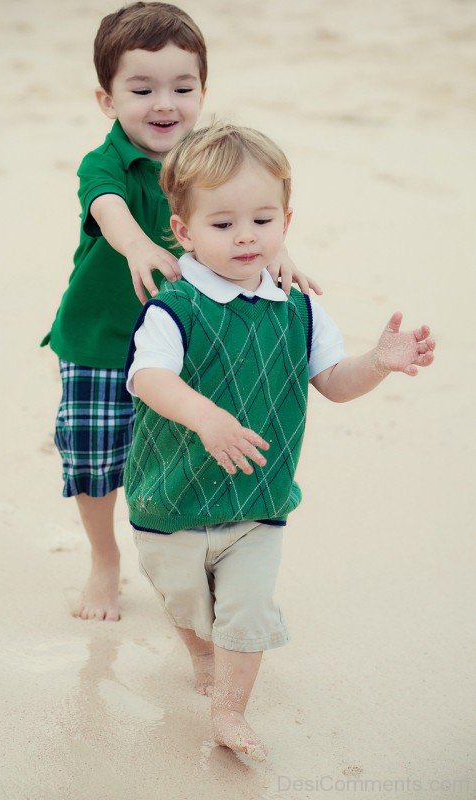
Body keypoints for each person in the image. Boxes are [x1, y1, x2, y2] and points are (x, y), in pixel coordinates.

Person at [123, 123, 436, 760]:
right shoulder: (174, 309)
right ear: (183, 232)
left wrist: (377, 362)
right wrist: (206, 416)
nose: (245, 236)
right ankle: (200, 651)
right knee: (185, 602)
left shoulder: (301, 307)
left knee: (248, 608)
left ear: (286, 221)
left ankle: (230, 712)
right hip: (170, 499)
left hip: (259, 500)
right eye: (223, 224)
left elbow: (334, 383)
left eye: (262, 219)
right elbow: (149, 378)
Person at [41, 3, 319, 622]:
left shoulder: (207, 159)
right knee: (94, 456)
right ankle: (104, 559)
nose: (164, 103)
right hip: (101, 339)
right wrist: (139, 245)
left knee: (182, 450)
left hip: (186, 346)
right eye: (142, 89)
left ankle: (201, 560)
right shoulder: (105, 162)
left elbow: (249, 208)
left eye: (182, 87)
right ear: (107, 98)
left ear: (203, 90)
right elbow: (109, 207)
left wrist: (283, 254)